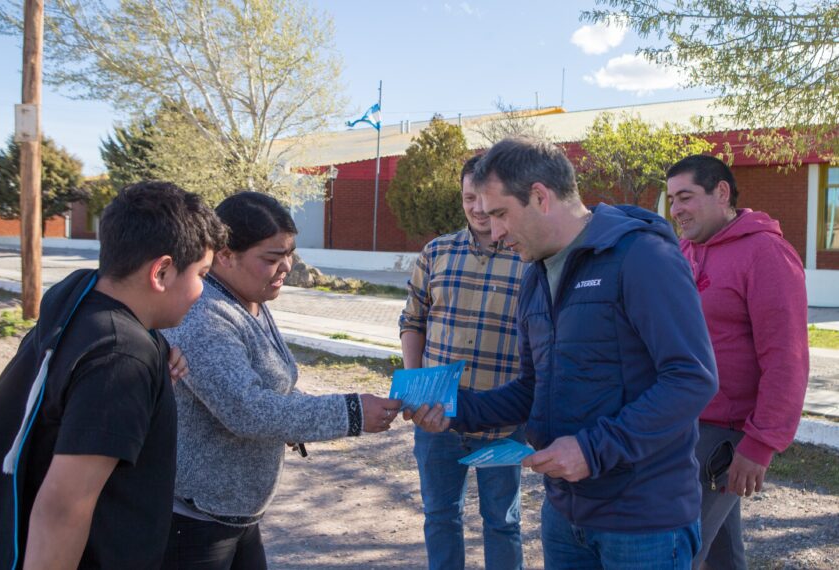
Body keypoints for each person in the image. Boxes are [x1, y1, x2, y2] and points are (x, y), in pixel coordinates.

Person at [407, 137, 719, 569]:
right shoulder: (535, 274)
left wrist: (592, 450)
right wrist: (455, 408)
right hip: (564, 513)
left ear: (540, 196)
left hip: (643, 521)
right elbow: (533, 388)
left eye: (500, 214)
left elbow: (692, 379)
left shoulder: (642, 255)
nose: (494, 231)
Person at [0, 181, 227, 569]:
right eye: (202, 275)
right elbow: (63, 507)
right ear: (161, 272)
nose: (201, 291)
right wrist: (140, 361)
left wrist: (154, 363)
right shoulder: (121, 357)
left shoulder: (78, 298)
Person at [160, 191, 401, 570]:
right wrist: (352, 412)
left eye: (289, 254)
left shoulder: (250, 298)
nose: (286, 266)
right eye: (272, 258)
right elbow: (248, 410)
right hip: (196, 519)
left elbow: (276, 391)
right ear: (224, 255)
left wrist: (298, 418)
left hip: (237, 513)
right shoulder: (204, 313)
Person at [667, 154, 809, 569]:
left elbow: (787, 356)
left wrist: (761, 444)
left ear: (722, 193)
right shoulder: (684, 250)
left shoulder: (766, 253)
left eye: (686, 197)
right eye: (672, 199)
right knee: (722, 555)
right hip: (681, 425)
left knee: (677, 551)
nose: (676, 209)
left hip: (725, 433)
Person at [400, 155, 526, 570]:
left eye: (484, 198)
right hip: (437, 418)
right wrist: (415, 386)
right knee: (440, 516)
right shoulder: (436, 252)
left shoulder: (528, 256)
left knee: (503, 521)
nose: (476, 207)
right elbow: (412, 320)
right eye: (468, 197)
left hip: (504, 421)